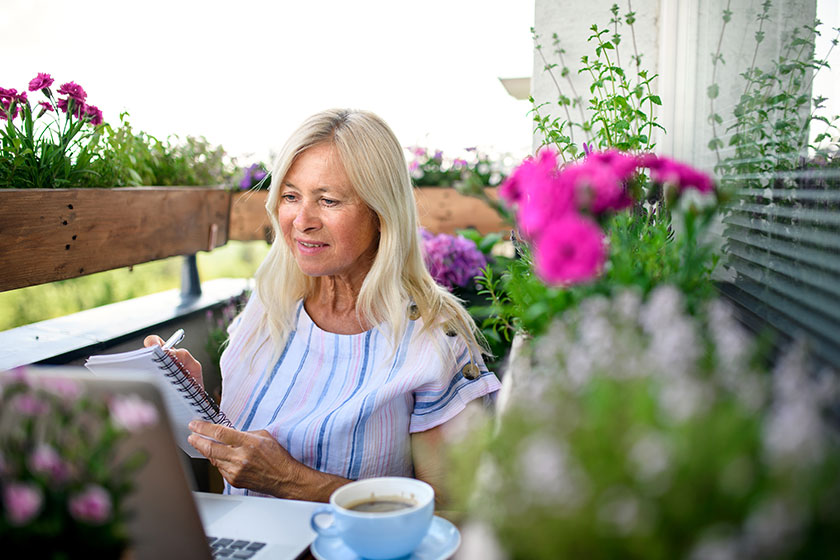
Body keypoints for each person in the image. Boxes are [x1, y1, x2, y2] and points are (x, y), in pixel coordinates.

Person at [145, 108, 501, 503]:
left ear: (382, 214)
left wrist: (292, 480)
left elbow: (450, 515)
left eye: (328, 200)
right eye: (290, 196)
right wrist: (193, 403)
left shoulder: (435, 338)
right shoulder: (270, 307)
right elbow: (249, 451)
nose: (301, 220)